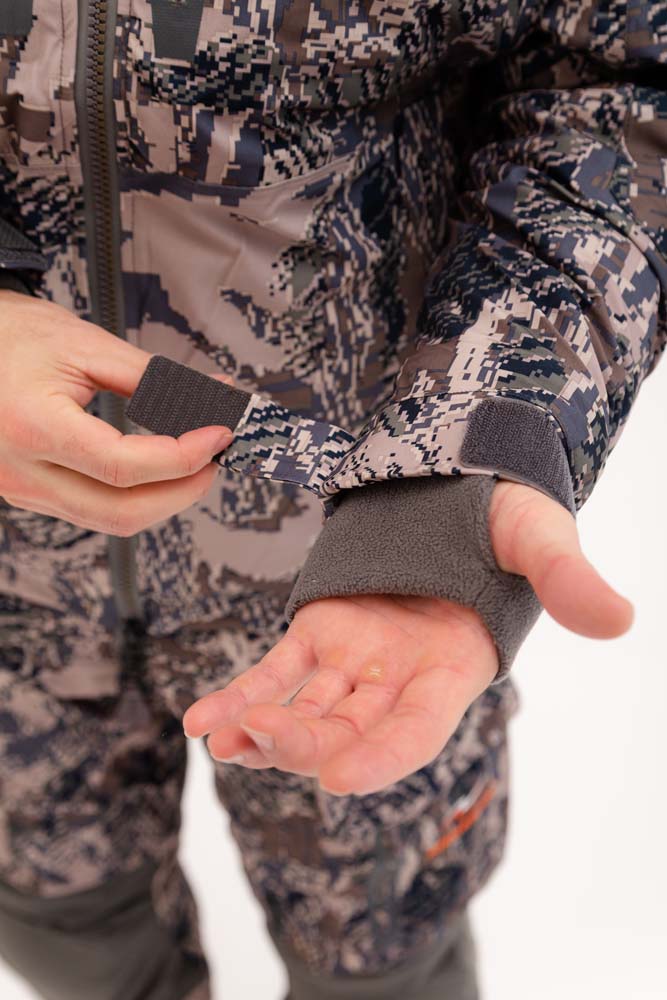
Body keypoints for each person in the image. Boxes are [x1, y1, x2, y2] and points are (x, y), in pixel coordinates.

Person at [0, 2, 662, 998]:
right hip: (14, 627)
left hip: (354, 547)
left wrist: (474, 439)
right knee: (70, 934)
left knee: (383, 962)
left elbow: (618, 92)